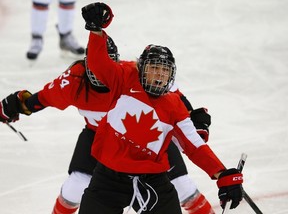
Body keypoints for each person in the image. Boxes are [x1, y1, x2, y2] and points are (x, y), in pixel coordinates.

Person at [1, 37, 215, 213]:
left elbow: (170, 94)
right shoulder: (74, 82)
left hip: (150, 139)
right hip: (99, 141)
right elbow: (40, 99)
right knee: (74, 188)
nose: (98, 74)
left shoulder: (130, 75)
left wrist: (193, 118)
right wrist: (14, 106)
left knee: (184, 186)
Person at [77, 2, 244, 214]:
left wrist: (222, 174)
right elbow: (98, 63)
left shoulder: (173, 104)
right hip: (108, 178)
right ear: (141, 68)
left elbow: (193, 144)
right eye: (154, 68)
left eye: (164, 71)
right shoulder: (125, 78)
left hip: (152, 181)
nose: (159, 75)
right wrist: (96, 30)